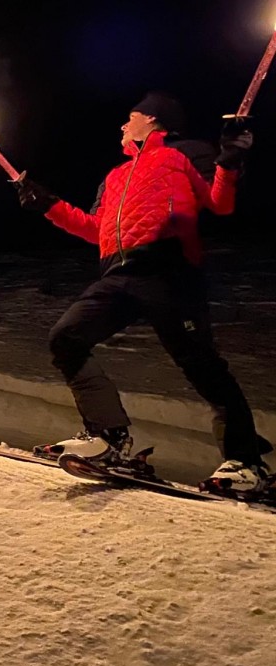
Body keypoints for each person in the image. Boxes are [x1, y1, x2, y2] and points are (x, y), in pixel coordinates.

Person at [18, 91, 269, 491]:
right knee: (66, 337)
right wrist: (48, 205)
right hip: (117, 275)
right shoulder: (115, 176)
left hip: (169, 271)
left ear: (152, 120)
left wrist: (231, 158)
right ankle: (107, 437)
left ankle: (246, 464)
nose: (122, 125)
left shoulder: (185, 154)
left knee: (202, 366)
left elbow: (220, 203)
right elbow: (96, 229)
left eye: (129, 117)